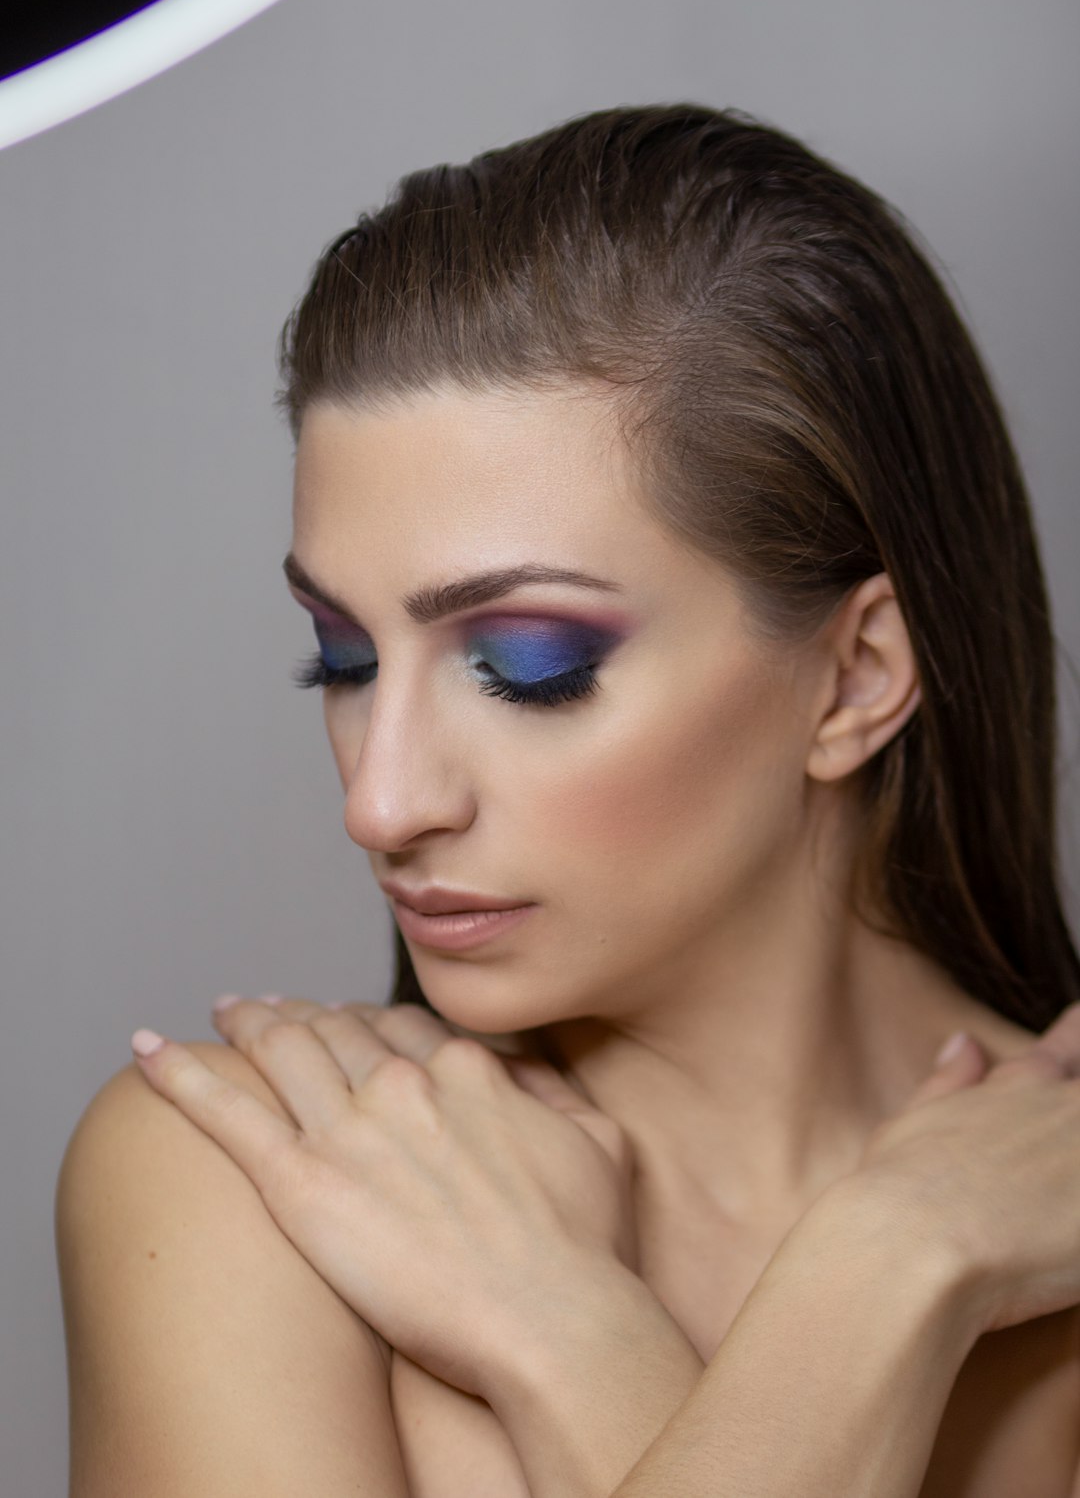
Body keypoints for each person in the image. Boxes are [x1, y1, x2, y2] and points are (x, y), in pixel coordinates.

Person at [56, 103, 1080, 1496]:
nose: (382, 802)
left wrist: (578, 1341)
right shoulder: (243, 1183)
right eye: (344, 658)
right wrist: (880, 1270)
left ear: (855, 677)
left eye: (526, 666)